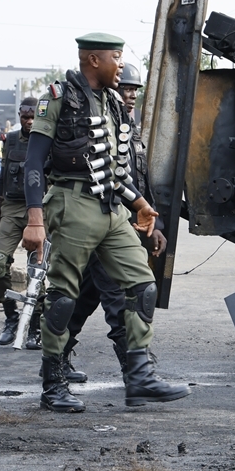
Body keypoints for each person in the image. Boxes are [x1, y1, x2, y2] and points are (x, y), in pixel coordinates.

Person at [21, 32, 189, 413]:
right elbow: (33, 162)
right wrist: (35, 220)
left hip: (113, 209)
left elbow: (115, 169)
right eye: (116, 57)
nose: (122, 66)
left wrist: (141, 204)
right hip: (72, 203)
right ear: (93, 60)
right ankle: (53, 384)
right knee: (63, 297)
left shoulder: (113, 103)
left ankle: (140, 376)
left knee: (143, 286)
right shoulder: (57, 96)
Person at [66, 63, 167, 381]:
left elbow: (142, 182)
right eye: (125, 89)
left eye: (135, 90)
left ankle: (57, 354)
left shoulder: (131, 132)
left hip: (131, 228)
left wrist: (156, 225)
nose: (131, 95)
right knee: (124, 295)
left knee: (86, 296)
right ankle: (135, 365)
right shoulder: (97, 128)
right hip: (103, 227)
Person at [0, 98, 45, 349]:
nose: (29, 121)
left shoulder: (46, 140)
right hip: (11, 208)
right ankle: (11, 318)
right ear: (19, 115)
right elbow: (1, 186)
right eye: (25, 117)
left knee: (38, 271)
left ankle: (34, 326)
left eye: (33, 117)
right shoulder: (10, 141)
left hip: (40, 211)